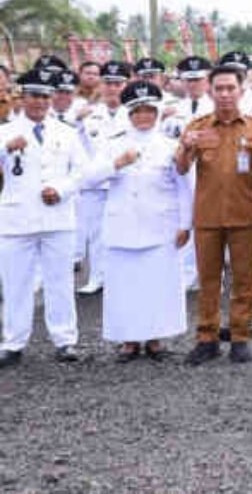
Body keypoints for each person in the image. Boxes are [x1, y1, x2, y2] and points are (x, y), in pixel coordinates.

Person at [175, 64, 252, 365]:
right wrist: (185, 147)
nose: (225, 94)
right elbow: (181, 168)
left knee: (244, 279)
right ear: (210, 91)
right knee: (208, 280)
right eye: (219, 88)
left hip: (245, 215)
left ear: (241, 91)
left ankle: (240, 337)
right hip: (207, 216)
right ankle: (207, 337)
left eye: (231, 88)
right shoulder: (197, 126)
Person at [84, 81, 192, 362]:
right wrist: (116, 163)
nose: (143, 116)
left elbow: (184, 187)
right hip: (123, 225)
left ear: (157, 113)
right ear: (128, 113)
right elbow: (89, 178)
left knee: (158, 283)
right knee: (125, 286)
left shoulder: (171, 146)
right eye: (137, 111)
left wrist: (185, 223)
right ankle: (129, 341)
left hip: (161, 225)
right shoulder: (113, 144)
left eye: (149, 110)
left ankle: (155, 339)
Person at [0, 68, 88, 367]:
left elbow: (82, 172)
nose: (39, 102)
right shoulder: (5, 131)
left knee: (60, 281)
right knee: (16, 283)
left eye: (45, 96)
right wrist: (4, 149)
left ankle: (65, 341)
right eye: (33, 95)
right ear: (21, 97)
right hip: (16, 219)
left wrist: (61, 189)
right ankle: (13, 342)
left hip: (57, 217)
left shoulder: (66, 132)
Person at [76, 60, 131, 295]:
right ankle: (97, 277)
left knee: (127, 229)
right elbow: (79, 150)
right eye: (108, 83)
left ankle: (125, 276)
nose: (112, 88)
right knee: (96, 234)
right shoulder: (88, 116)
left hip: (125, 181)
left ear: (126, 84)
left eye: (118, 83)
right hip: (96, 183)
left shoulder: (136, 113)